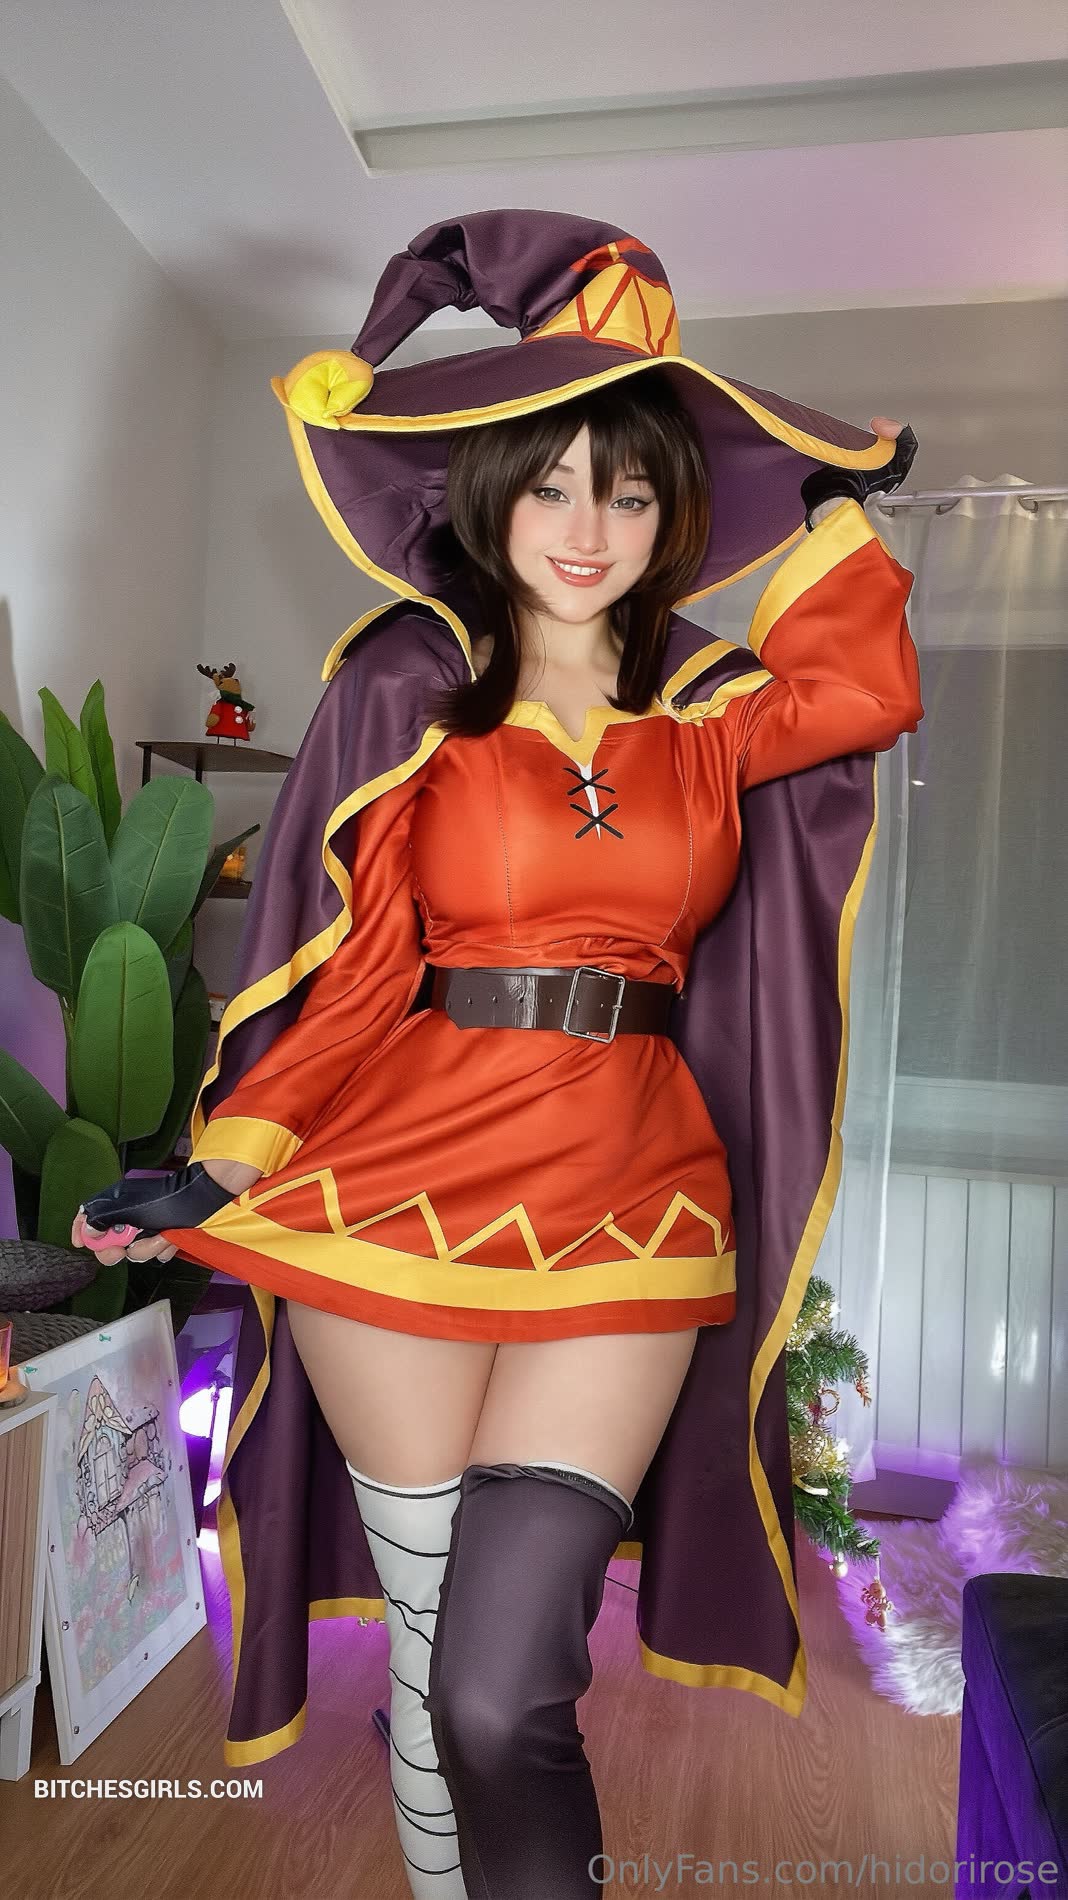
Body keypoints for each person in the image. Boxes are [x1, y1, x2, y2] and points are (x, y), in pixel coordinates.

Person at [74, 210, 923, 1900]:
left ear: (674, 511)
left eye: (631, 490)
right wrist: (224, 1159)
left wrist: (832, 506)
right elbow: (353, 979)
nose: (589, 529)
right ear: (490, 494)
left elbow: (864, 692)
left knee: (500, 1684)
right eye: (553, 486)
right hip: (390, 1193)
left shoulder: (712, 719)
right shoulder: (413, 695)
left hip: (632, 1199)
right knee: (427, 1666)